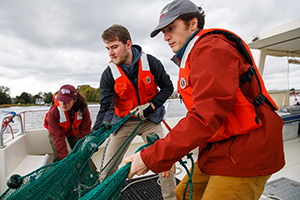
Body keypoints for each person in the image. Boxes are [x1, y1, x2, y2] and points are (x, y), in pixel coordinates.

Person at [124, 0, 285, 199]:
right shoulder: (196, 53)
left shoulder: (211, 49)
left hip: (248, 148)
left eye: (171, 28)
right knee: (184, 194)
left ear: (193, 23)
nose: (166, 37)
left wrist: (152, 157)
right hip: (221, 146)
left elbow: (204, 117)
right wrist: (171, 154)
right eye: (164, 32)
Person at [92, 24, 176, 199]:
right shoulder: (108, 74)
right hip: (124, 122)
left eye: (114, 47)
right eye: (108, 48)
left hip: (150, 121)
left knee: (165, 163)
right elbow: (106, 107)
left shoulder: (151, 62)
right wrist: (93, 135)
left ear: (128, 44)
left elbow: (168, 87)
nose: (110, 52)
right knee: (107, 169)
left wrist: (151, 106)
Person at [44, 84, 92, 163]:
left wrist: (79, 153)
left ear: (74, 100)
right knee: (59, 156)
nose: (62, 104)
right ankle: (60, 172)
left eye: (66, 100)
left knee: (82, 153)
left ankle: (91, 173)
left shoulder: (83, 109)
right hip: (56, 131)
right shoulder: (54, 112)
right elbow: (57, 138)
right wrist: (64, 161)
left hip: (73, 131)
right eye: (60, 100)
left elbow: (84, 131)